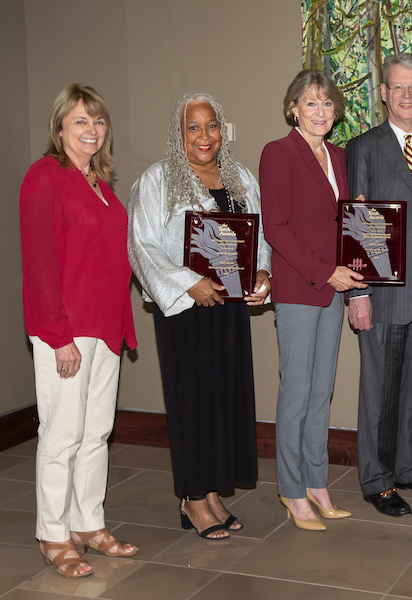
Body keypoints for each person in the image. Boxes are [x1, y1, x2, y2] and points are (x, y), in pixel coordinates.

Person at [128, 93, 272, 539]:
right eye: (193, 127)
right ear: (179, 132)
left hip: (228, 311)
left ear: (222, 130)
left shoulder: (240, 178)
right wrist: (187, 281)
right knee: (192, 402)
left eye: (211, 126)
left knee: (223, 400)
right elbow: (142, 245)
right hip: (187, 311)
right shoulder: (157, 180)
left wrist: (262, 271)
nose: (204, 136)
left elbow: (260, 234)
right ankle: (192, 499)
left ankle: (213, 493)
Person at [21, 84, 138, 578]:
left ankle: (88, 522)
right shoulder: (45, 177)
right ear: (60, 128)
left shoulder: (101, 184)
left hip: (104, 327)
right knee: (62, 434)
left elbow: (111, 261)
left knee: (96, 433)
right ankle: (53, 533)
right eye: (80, 122)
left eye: (98, 122)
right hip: (65, 331)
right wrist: (57, 335)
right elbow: (41, 263)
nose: (92, 130)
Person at [260, 70, 366, 530]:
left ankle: (317, 482)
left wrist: (359, 218)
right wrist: (326, 271)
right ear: (293, 109)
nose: (320, 112)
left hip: (334, 291)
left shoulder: (339, 157)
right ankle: (290, 489)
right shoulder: (277, 153)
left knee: (322, 391)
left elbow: (339, 222)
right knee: (296, 391)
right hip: (301, 289)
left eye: (326, 104)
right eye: (310, 103)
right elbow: (276, 227)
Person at [346, 53, 412, 517]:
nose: (407, 95)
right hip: (383, 289)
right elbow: (355, 222)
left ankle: (411, 469)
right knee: (380, 390)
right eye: (397, 87)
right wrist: (358, 293)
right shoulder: (364, 147)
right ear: (384, 92)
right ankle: (376, 479)